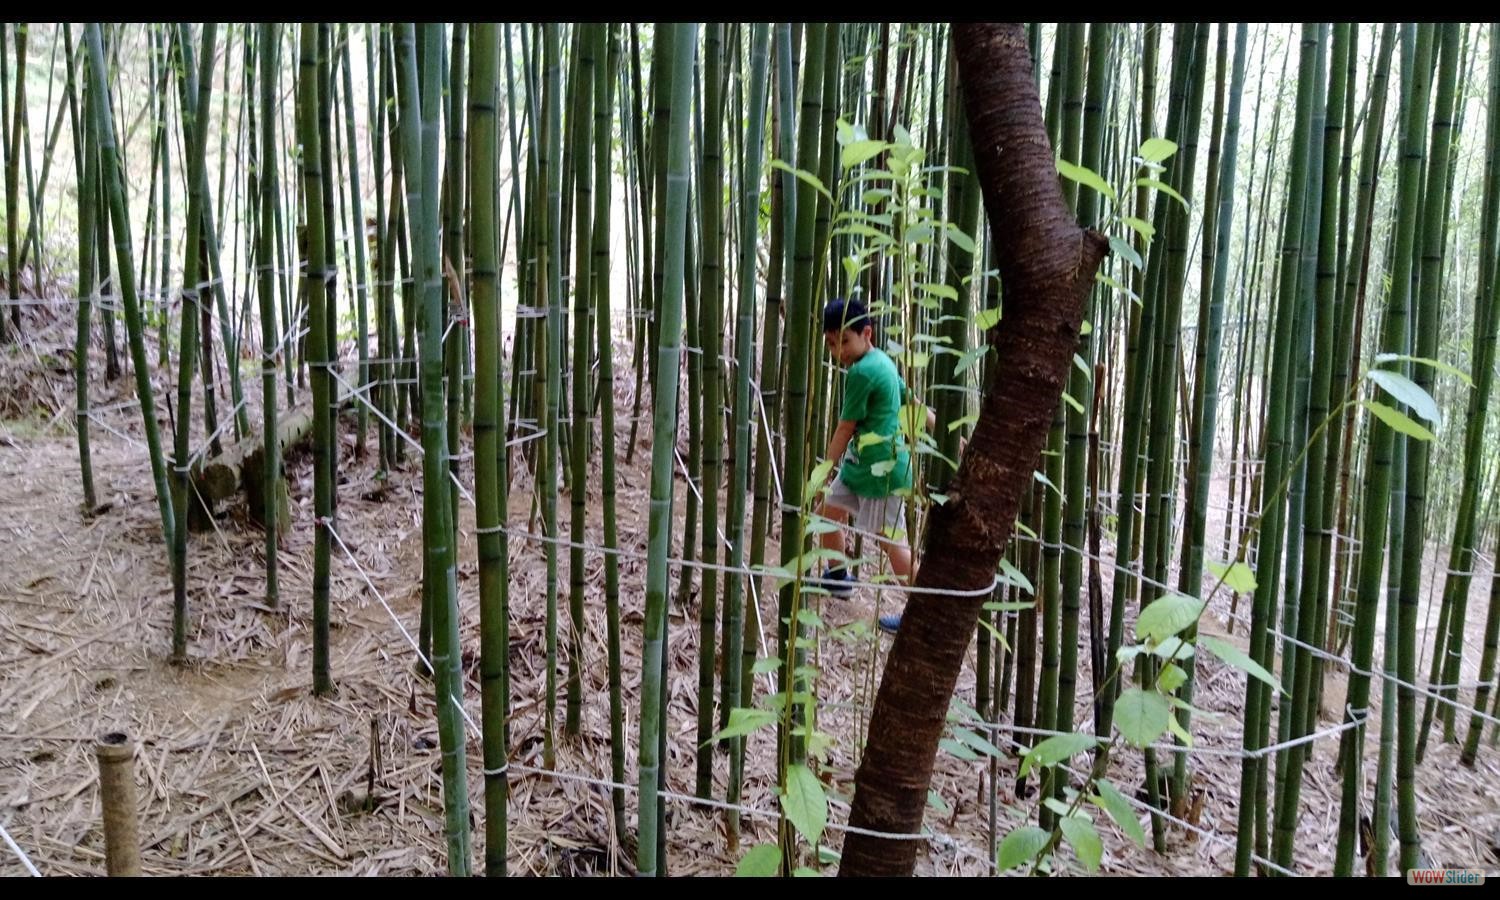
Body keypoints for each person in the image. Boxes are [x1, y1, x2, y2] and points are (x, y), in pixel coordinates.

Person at [813, 297, 931, 634]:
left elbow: (844, 427)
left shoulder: (863, 372)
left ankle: (925, 613)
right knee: (828, 513)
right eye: (832, 344)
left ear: (867, 333)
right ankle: (838, 576)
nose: (839, 352)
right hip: (862, 465)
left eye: (844, 342)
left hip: (882, 469)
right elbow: (911, 400)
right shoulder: (882, 362)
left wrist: (824, 471)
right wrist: (944, 427)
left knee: (891, 543)